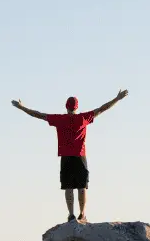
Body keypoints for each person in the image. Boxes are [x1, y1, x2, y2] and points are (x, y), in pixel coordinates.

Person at [11, 89, 129, 223]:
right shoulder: (83, 118)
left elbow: (37, 115)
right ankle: (82, 213)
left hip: (66, 157)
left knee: (68, 187)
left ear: (66, 107)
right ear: (77, 107)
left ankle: (71, 214)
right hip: (80, 156)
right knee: (82, 187)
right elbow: (102, 109)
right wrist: (117, 98)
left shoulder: (60, 119)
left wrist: (21, 107)